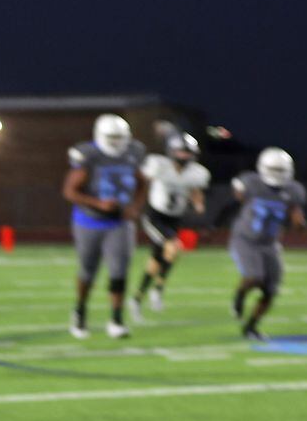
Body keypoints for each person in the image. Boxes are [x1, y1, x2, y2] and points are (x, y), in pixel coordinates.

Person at [62, 114, 148, 339]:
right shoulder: (88, 155)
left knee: (119, 272)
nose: (115, 141)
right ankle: (80, 311)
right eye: (111, 137)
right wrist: (97, 203)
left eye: (119, 137)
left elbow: (142, 182)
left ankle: (116, 320)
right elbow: (70, 191)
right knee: (87, 272)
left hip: (119, 222)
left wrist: (136, 207)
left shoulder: (133, 152)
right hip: (89, 221)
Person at [229, 147, 307, 341]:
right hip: (246, 240)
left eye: (281, 171)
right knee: (254, 277)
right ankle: (239, 295)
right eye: (274, 170)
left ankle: (251, 327)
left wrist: (300, 223)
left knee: (271, 290)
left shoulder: (293, 190)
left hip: (270, 244)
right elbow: (237, 192)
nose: (277, 175)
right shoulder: (251, 183)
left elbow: (296, 215)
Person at [134, 132, 210, 314]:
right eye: (181, 151)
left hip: (174, 218)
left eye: (188, 152)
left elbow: (195, 190)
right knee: (174, 247)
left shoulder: (197, 173)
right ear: (172, 151)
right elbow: (142, 182)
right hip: (155, 215)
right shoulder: (159, 165)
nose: (184, 156)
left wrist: (198, 203)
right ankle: (157, 290)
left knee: (157, 258)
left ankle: (137, 297)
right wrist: (136, 203)